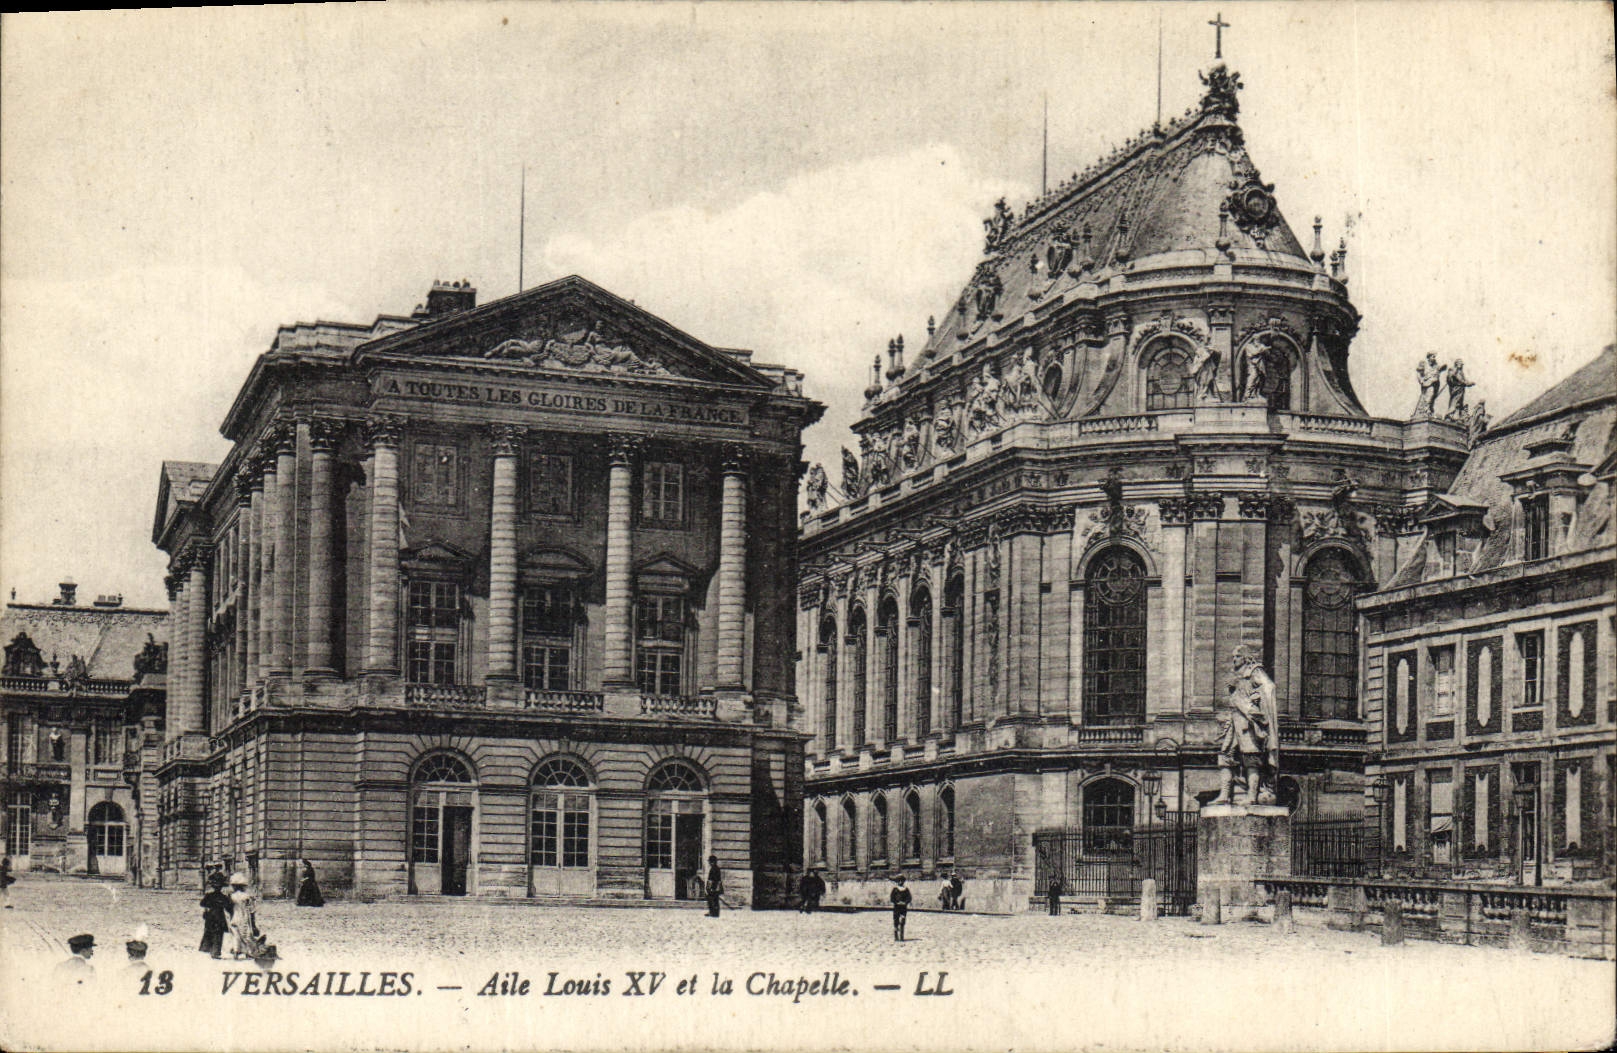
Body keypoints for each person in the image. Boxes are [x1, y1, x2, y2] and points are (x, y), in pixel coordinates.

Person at [228, 872, 263, 958]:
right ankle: (249, 952)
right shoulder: (247, 896)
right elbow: (251, 910)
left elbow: (229, 908)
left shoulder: (231, 896)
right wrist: (253, 923)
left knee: (235, 935)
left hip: (234, 916)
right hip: (244, 917)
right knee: (247, 935)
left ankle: (236, 951)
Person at [199, 872, 231, 958]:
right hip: (219, 916)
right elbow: (228, 907)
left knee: (209, 931)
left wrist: (207, 909)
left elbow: (202, 904)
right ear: (221, 887)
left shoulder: (209, 895)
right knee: (218, 934)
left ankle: (207, 948)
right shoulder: (223, 897)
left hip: (210, 916)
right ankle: (216, 952)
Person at [889, 874, 912, 941]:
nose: (900, 882)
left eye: (902, 881)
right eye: (899, 881)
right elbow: (892, 898)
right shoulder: (895, 889)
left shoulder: (906, 889)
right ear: (897, 882)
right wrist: (896, 902)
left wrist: (905, 902)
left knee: (902, 921)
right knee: (896, 920)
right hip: (896, 907)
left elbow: (909, 897)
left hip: (903, 907)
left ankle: (901, 936)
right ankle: (896, 936)